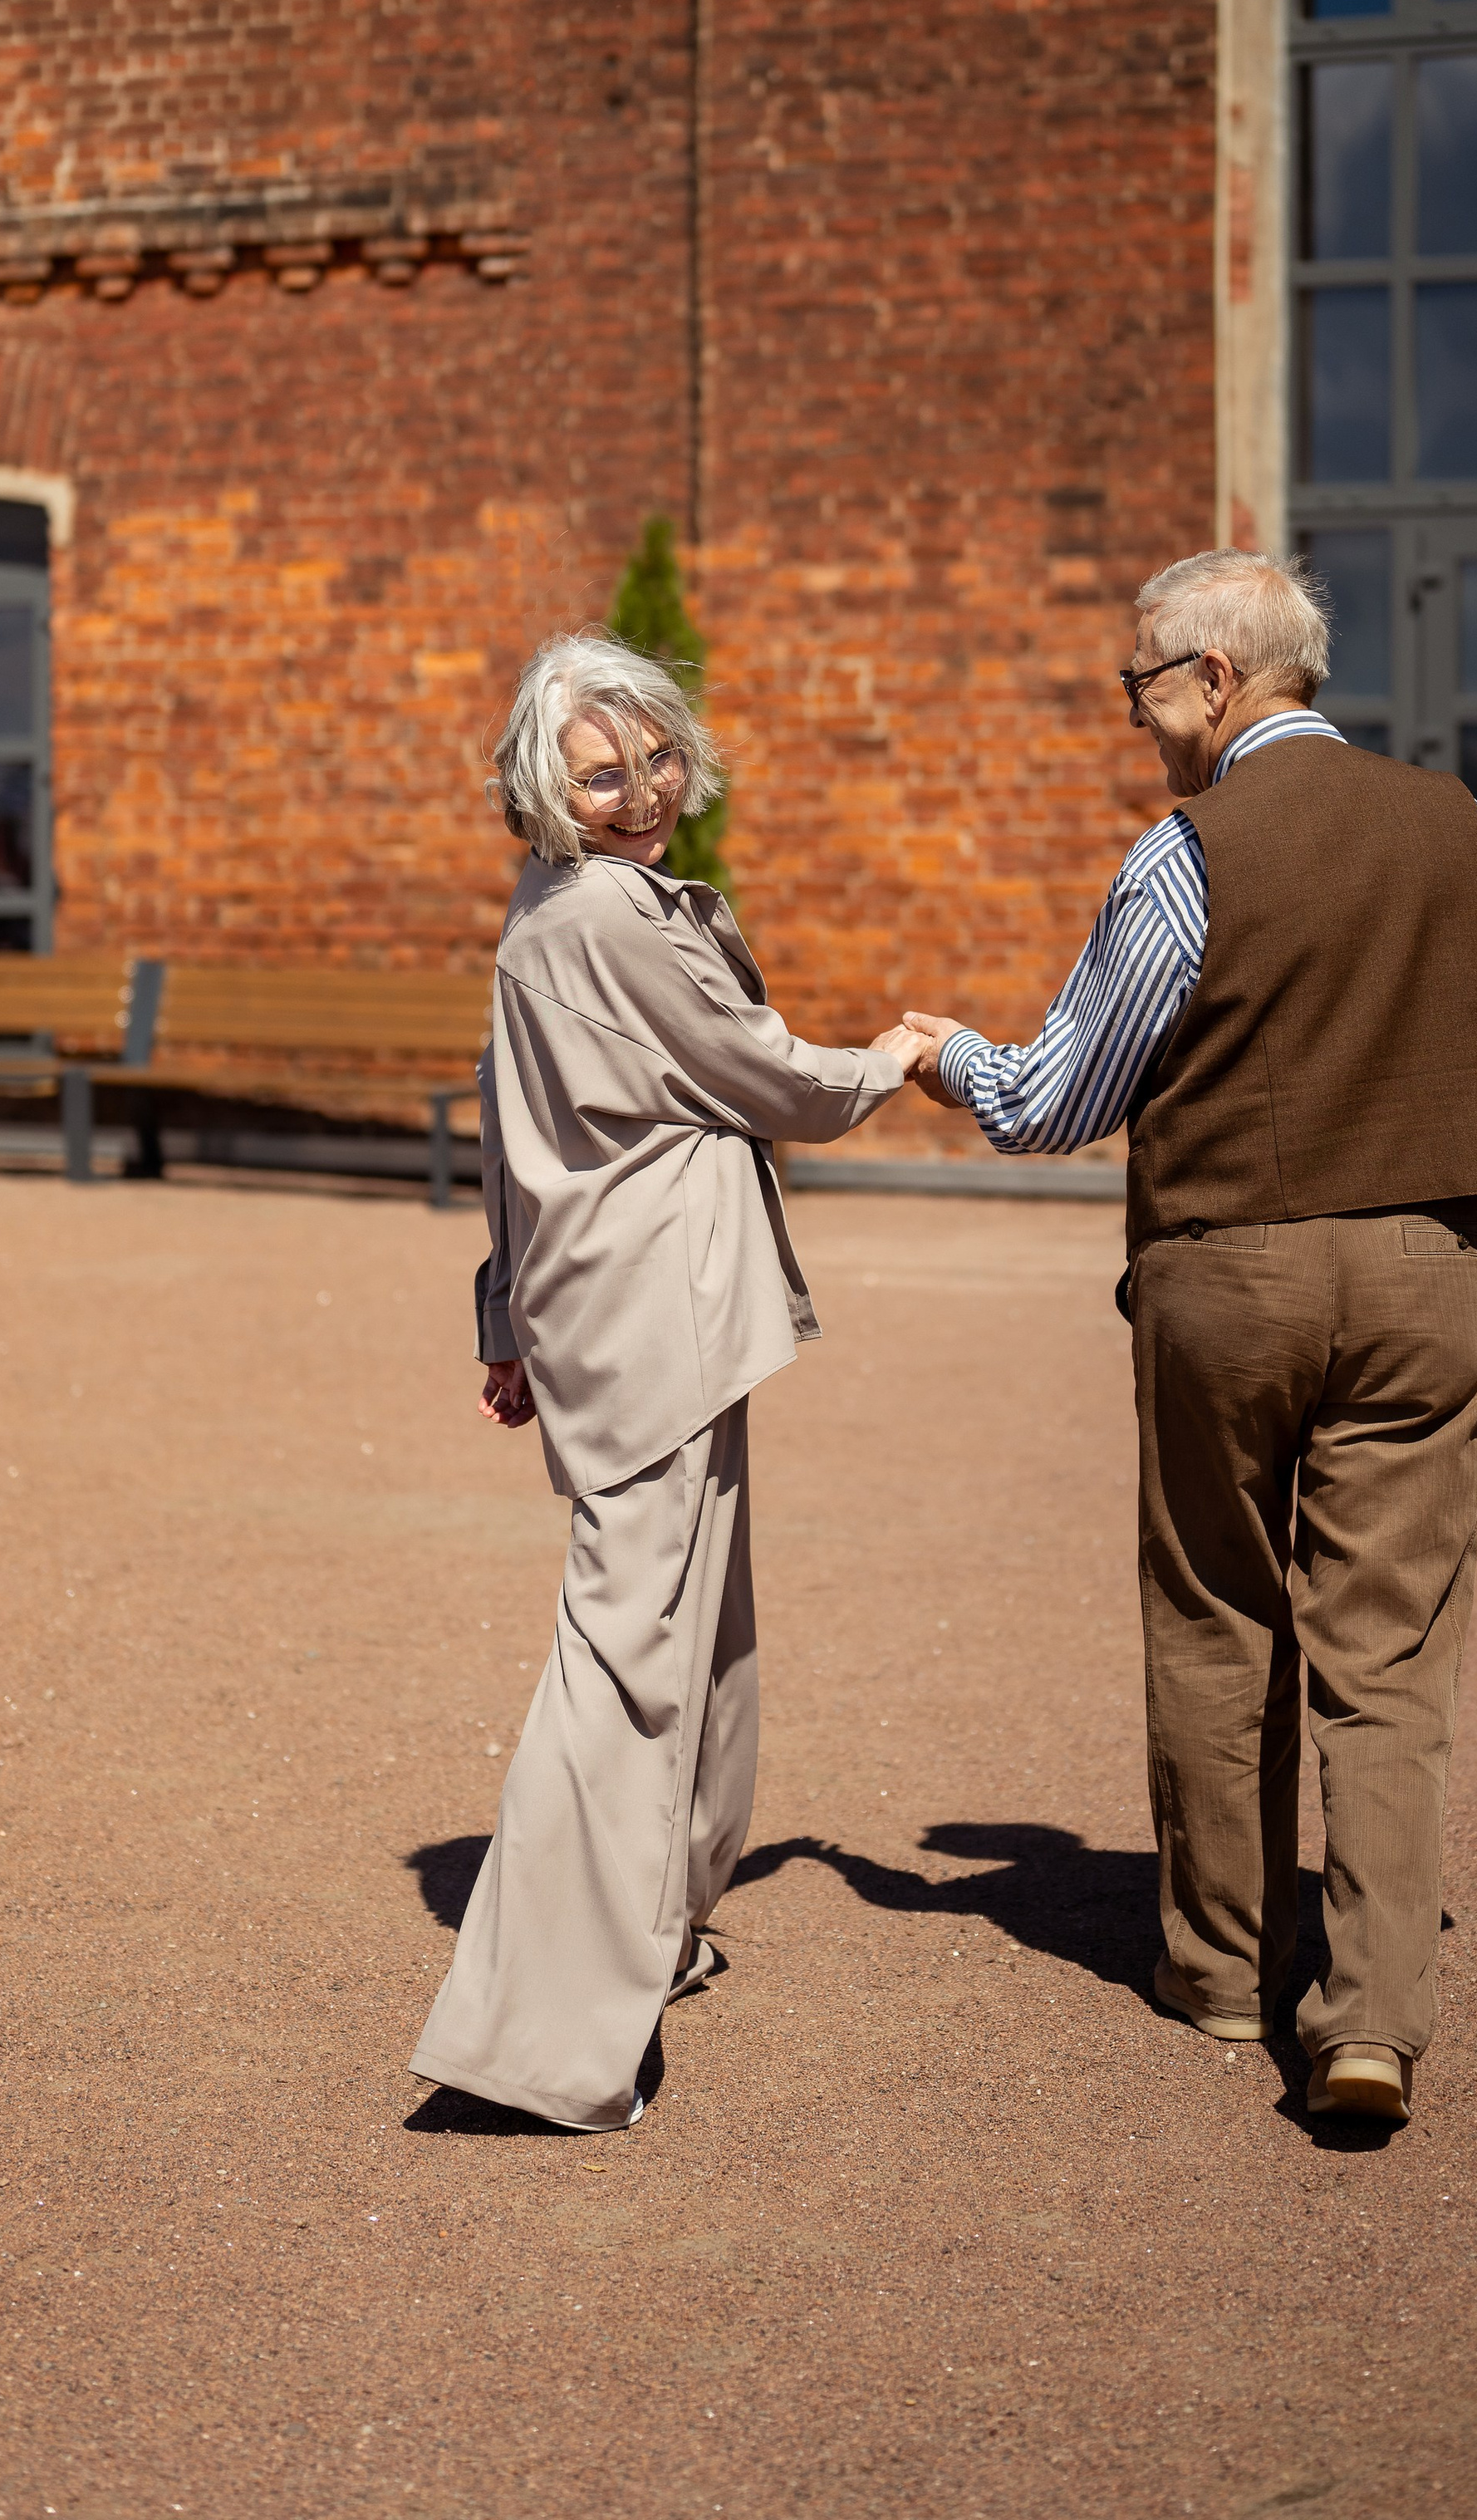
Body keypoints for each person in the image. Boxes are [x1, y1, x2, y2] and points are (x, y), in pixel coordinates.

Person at [901, 550, 1477, 2125]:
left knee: (1221, 1613)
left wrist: (944, 1052)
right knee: (1391, 1651)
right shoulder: (1465, 831)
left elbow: (1056, 1100)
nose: (1140, 713)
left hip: (1227, 1279)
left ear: (1216, 680)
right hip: (1434, 1271)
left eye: (1143, 681)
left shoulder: (1185, 854)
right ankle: (1367, 2011)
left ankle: (1225, 1970)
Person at [410, 630, 922, 2133]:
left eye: (653, 759)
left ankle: (654, 1932)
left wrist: (502, 1313)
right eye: (601, 772)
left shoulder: (552, 910)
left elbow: (512, 1126)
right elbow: (761, 1070)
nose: (640, 791)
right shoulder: (607, 917)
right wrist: (893, 1057)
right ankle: (541, 2036)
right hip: (653, 1319)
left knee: (702, 1634)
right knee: (633, 1651)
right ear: (546, 788)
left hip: (633, 1315)